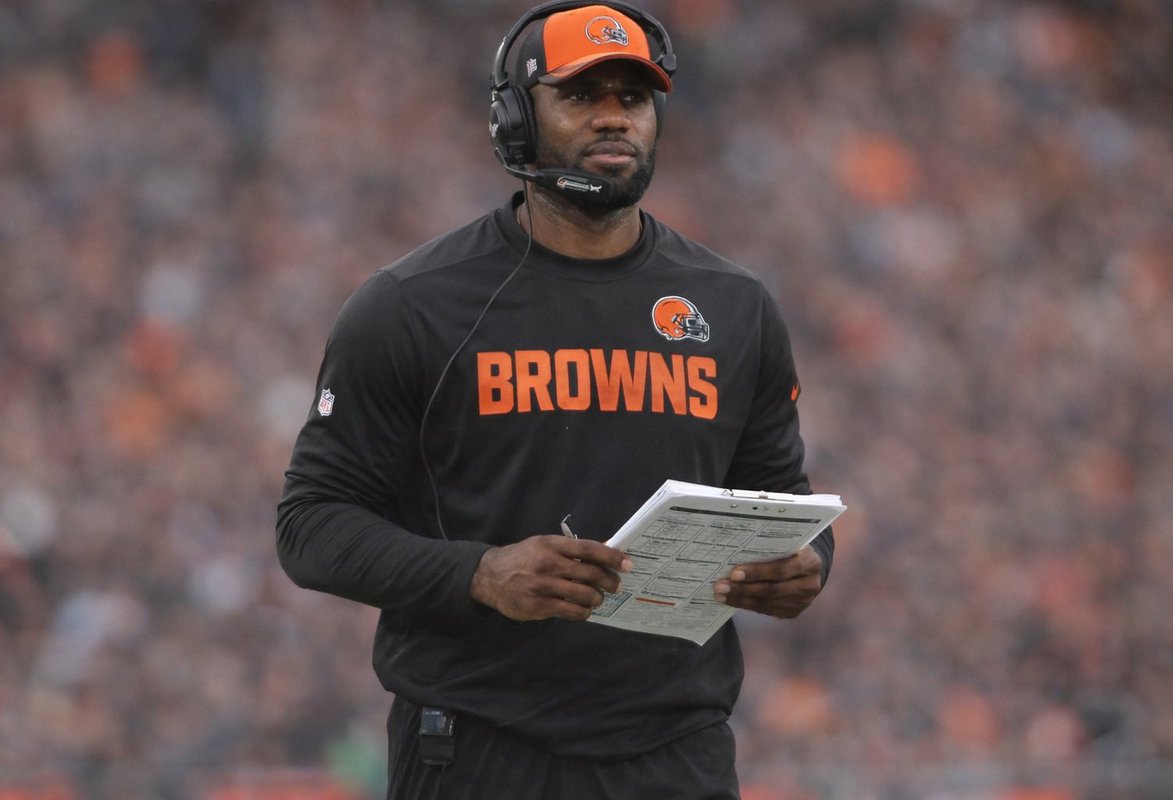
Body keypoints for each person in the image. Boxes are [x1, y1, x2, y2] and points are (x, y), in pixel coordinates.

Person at [276, 2, 834, 797]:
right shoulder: (412, 305)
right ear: (513, 117)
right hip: (479, 748)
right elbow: (310, 527)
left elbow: (785, 504)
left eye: (633, 98)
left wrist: (804, 568)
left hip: (678, 753)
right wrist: (481, 573)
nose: (614, 118)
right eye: (582, 96)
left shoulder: (736, 306)